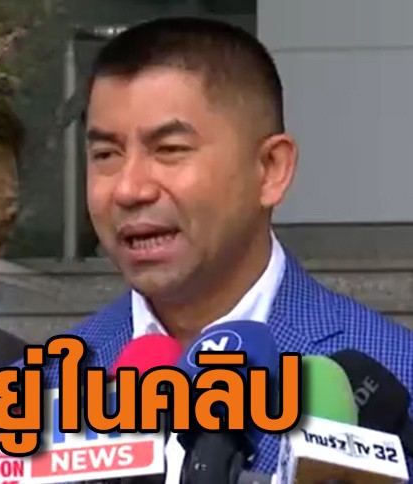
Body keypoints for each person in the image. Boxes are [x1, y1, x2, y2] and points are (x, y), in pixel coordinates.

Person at [25, 16, 413, 481]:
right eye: (106, 155)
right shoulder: (29, 397)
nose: (128, 189)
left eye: (169, 149)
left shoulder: (395, 380)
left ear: (270, 169)